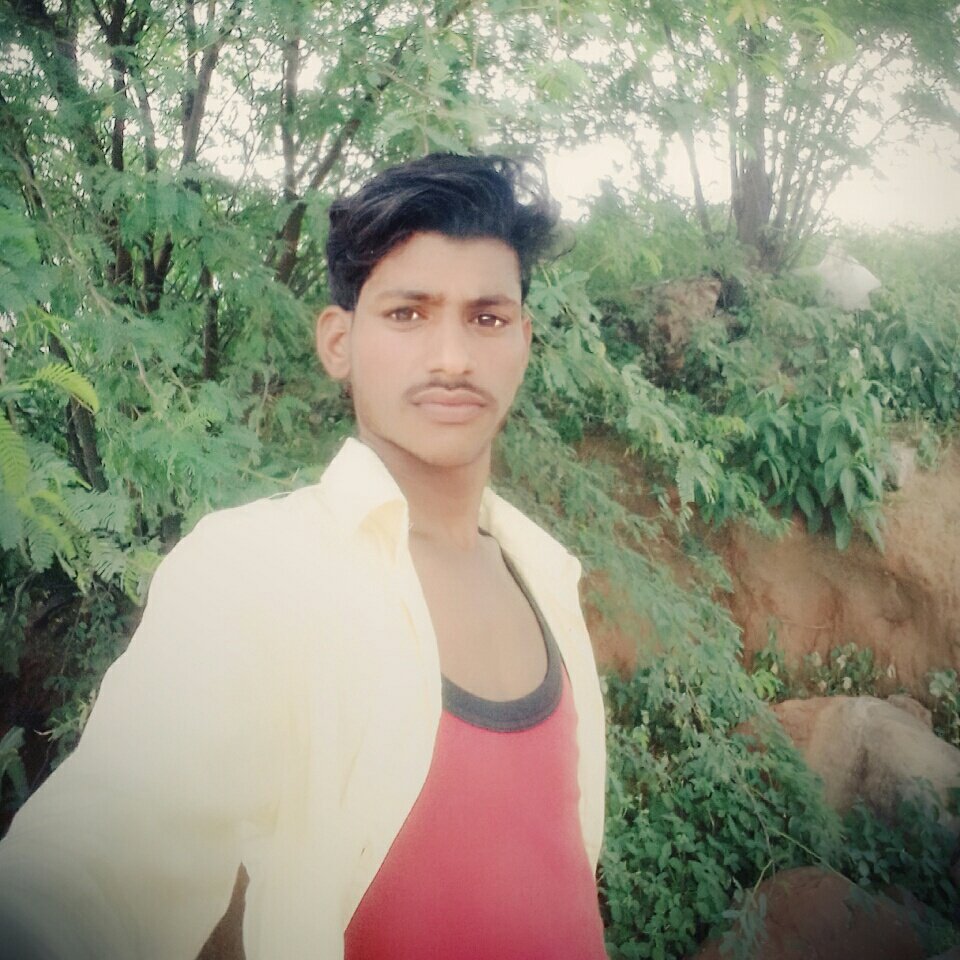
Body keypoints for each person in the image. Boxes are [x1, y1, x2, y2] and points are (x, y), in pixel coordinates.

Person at [0, 153, 608, 959]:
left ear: (523, 341)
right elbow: (98, 864)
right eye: (408, 313)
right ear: (338, 341)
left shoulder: (546, 575)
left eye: (487, 318)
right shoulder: (258, 573)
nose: (453, 358)